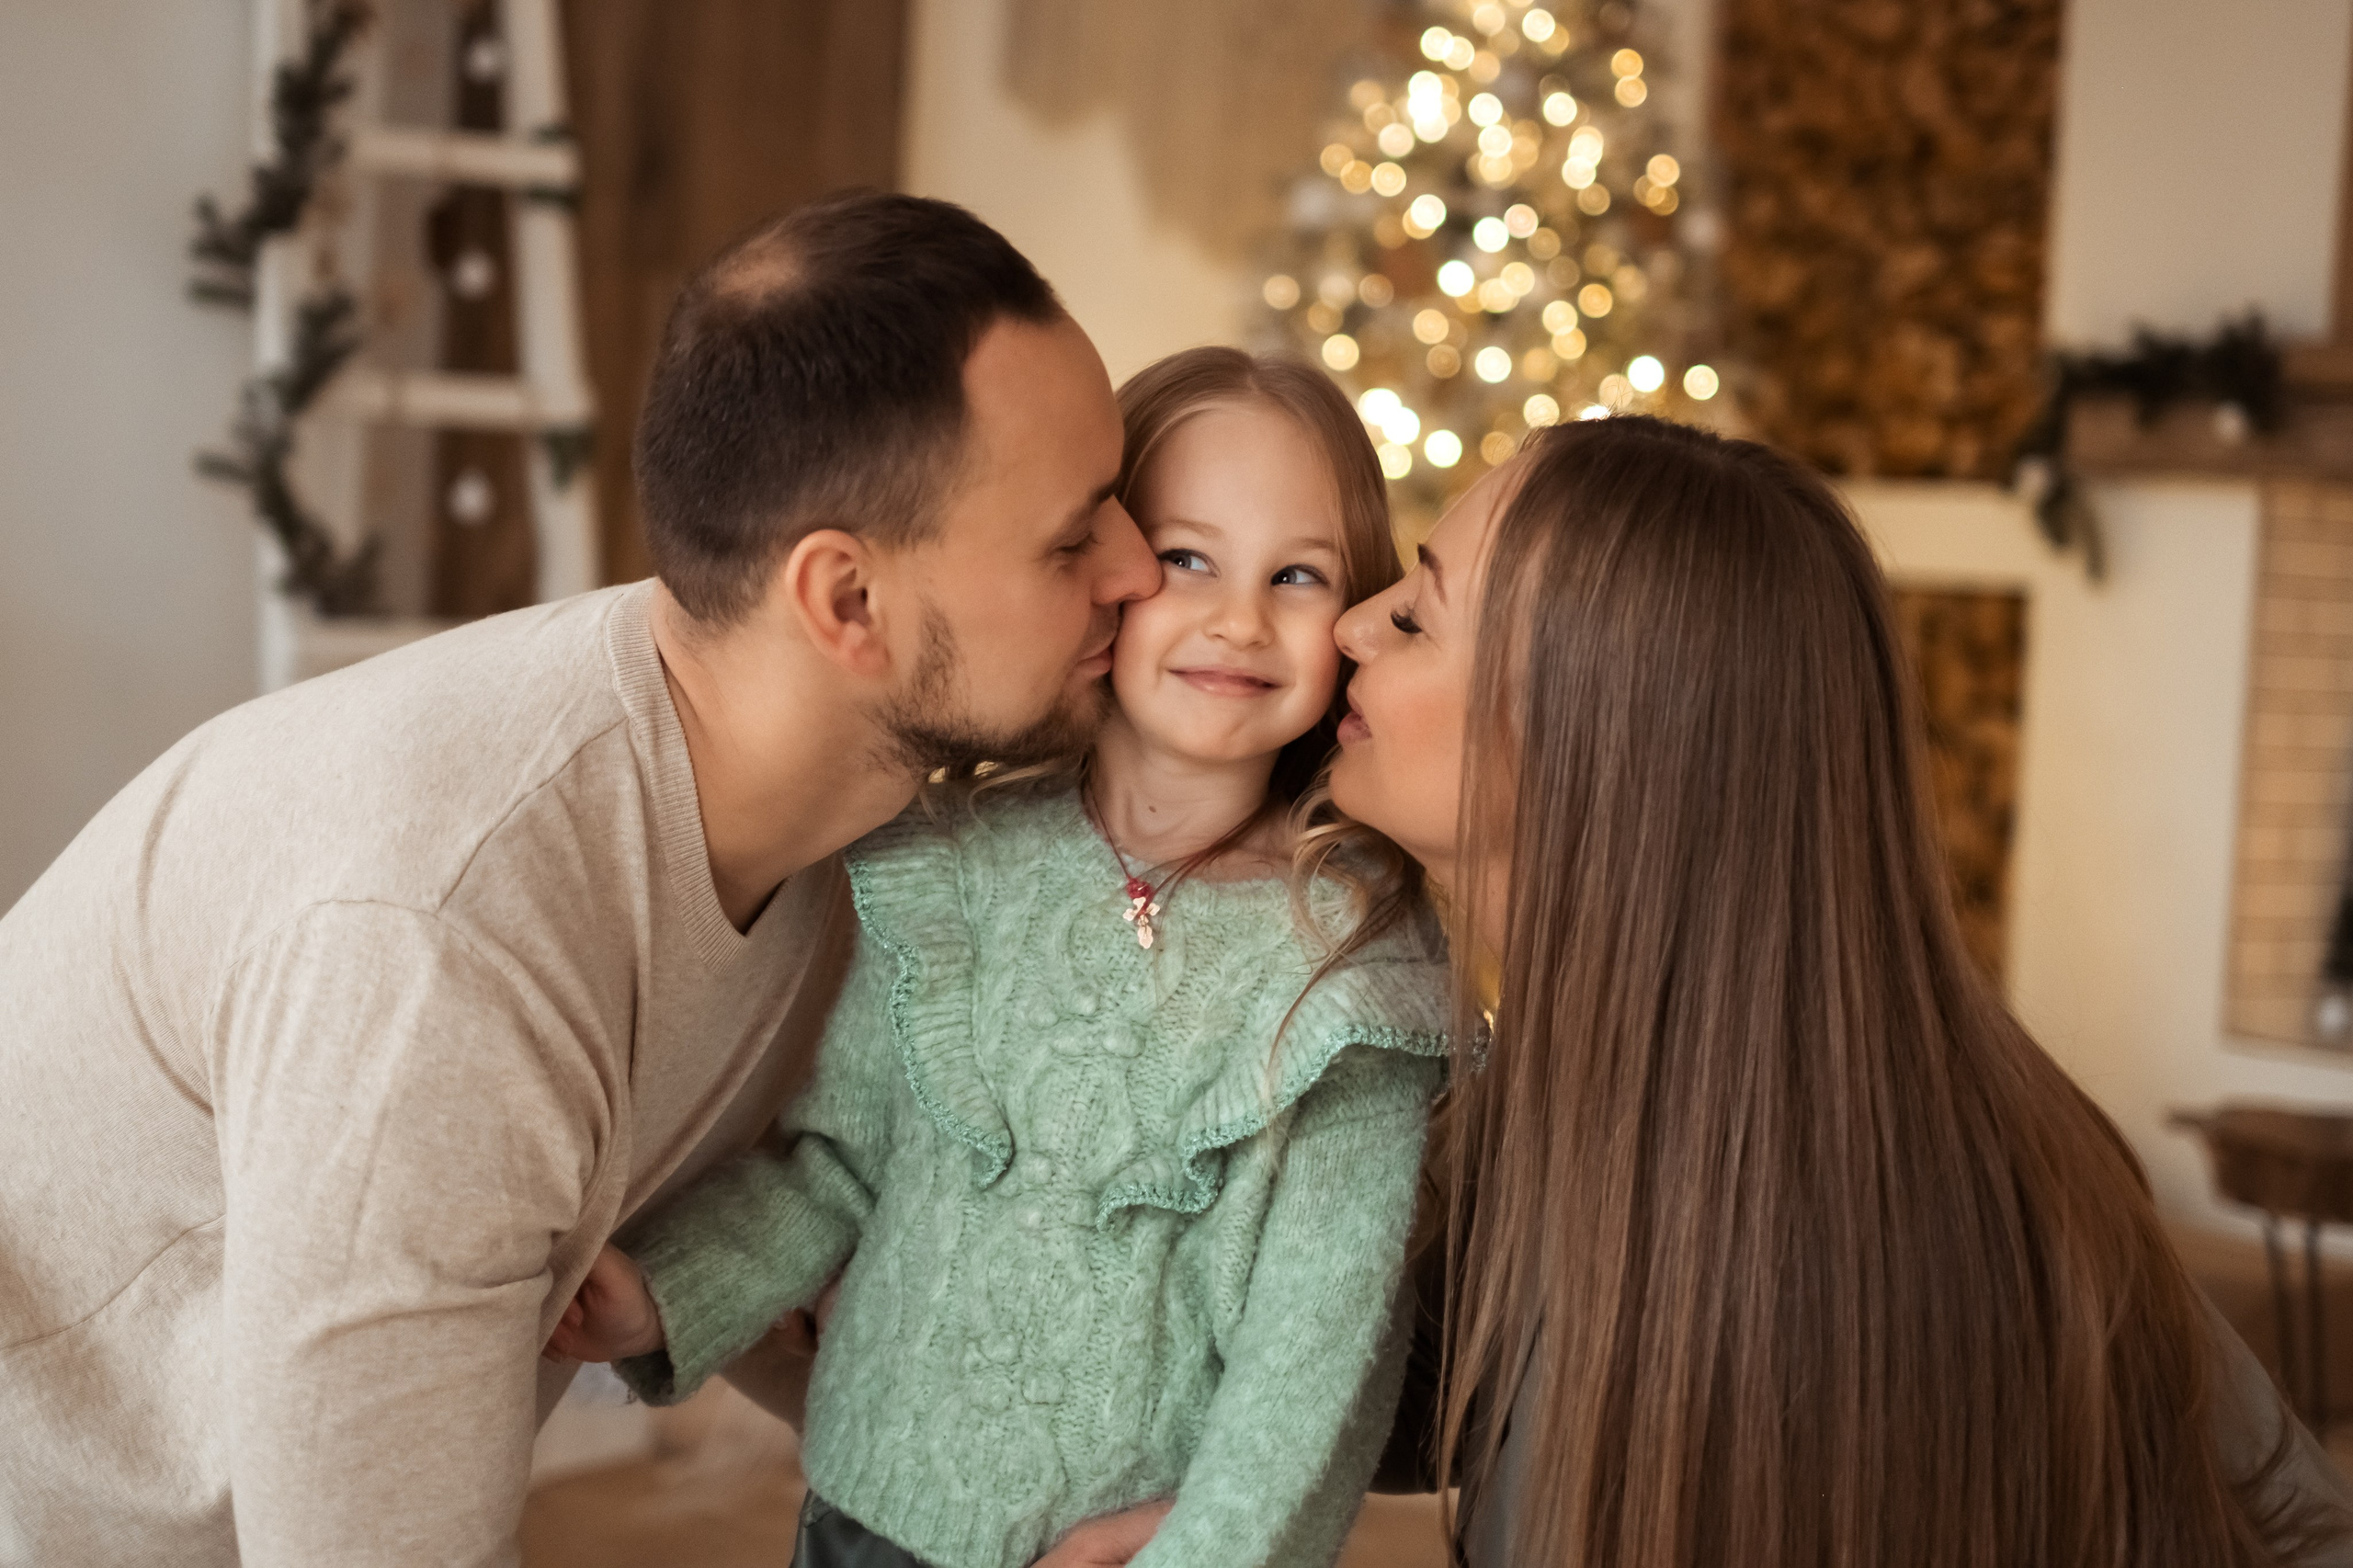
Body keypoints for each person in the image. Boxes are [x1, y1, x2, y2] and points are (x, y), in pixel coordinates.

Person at [0, 190, 1163, 1567]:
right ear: (846, 602)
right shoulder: (441, 944)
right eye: (1071, 536)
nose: (1138, 568)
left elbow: (781, 1245)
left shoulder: (832, 811)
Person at [1330, 415, 2353, 1566]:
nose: (1351, 623)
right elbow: (1356, 1393)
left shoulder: (1956, 1190)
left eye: (1414, 616)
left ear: (1583, 738)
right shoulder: (1560, 1099)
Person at [546, 347, 1449, 1568]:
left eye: (1297, 574)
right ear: (1103, 570)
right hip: (857, 1519)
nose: (1240, 619)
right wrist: (660, 1291)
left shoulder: (1350, 972)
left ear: (1352, 614)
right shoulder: (952, 861)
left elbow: (1313, 1362)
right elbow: (834, 1168)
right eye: (1189, 558)